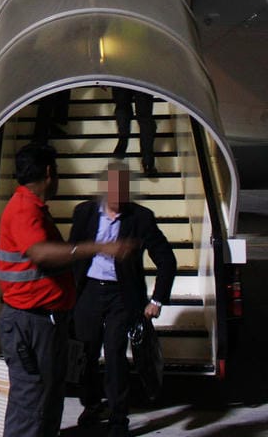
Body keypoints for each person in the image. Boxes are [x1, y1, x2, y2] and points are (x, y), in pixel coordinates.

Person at [0, 143, 136, 437]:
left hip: (43, 321)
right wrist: (97, 247)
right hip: (31, 323)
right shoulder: (24, 209)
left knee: (48, 400)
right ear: (49, 172)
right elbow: (40, 253)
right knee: (31, 405)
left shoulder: (33, 208)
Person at [69, 166, 176, 437]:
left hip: (122, 294)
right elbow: (72, 252)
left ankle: (119, 419)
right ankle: (92, 405)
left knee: (115, 354)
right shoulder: (84, 213)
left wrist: (157, 300)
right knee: (86, 353)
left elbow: (166, 258)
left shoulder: (141, 217)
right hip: (89, 290)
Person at [111, 86, 157, 176]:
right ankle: (148, 161)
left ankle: (123, 141)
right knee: (143, 117)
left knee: (123, 109)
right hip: (142, 81)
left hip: (123, 80)